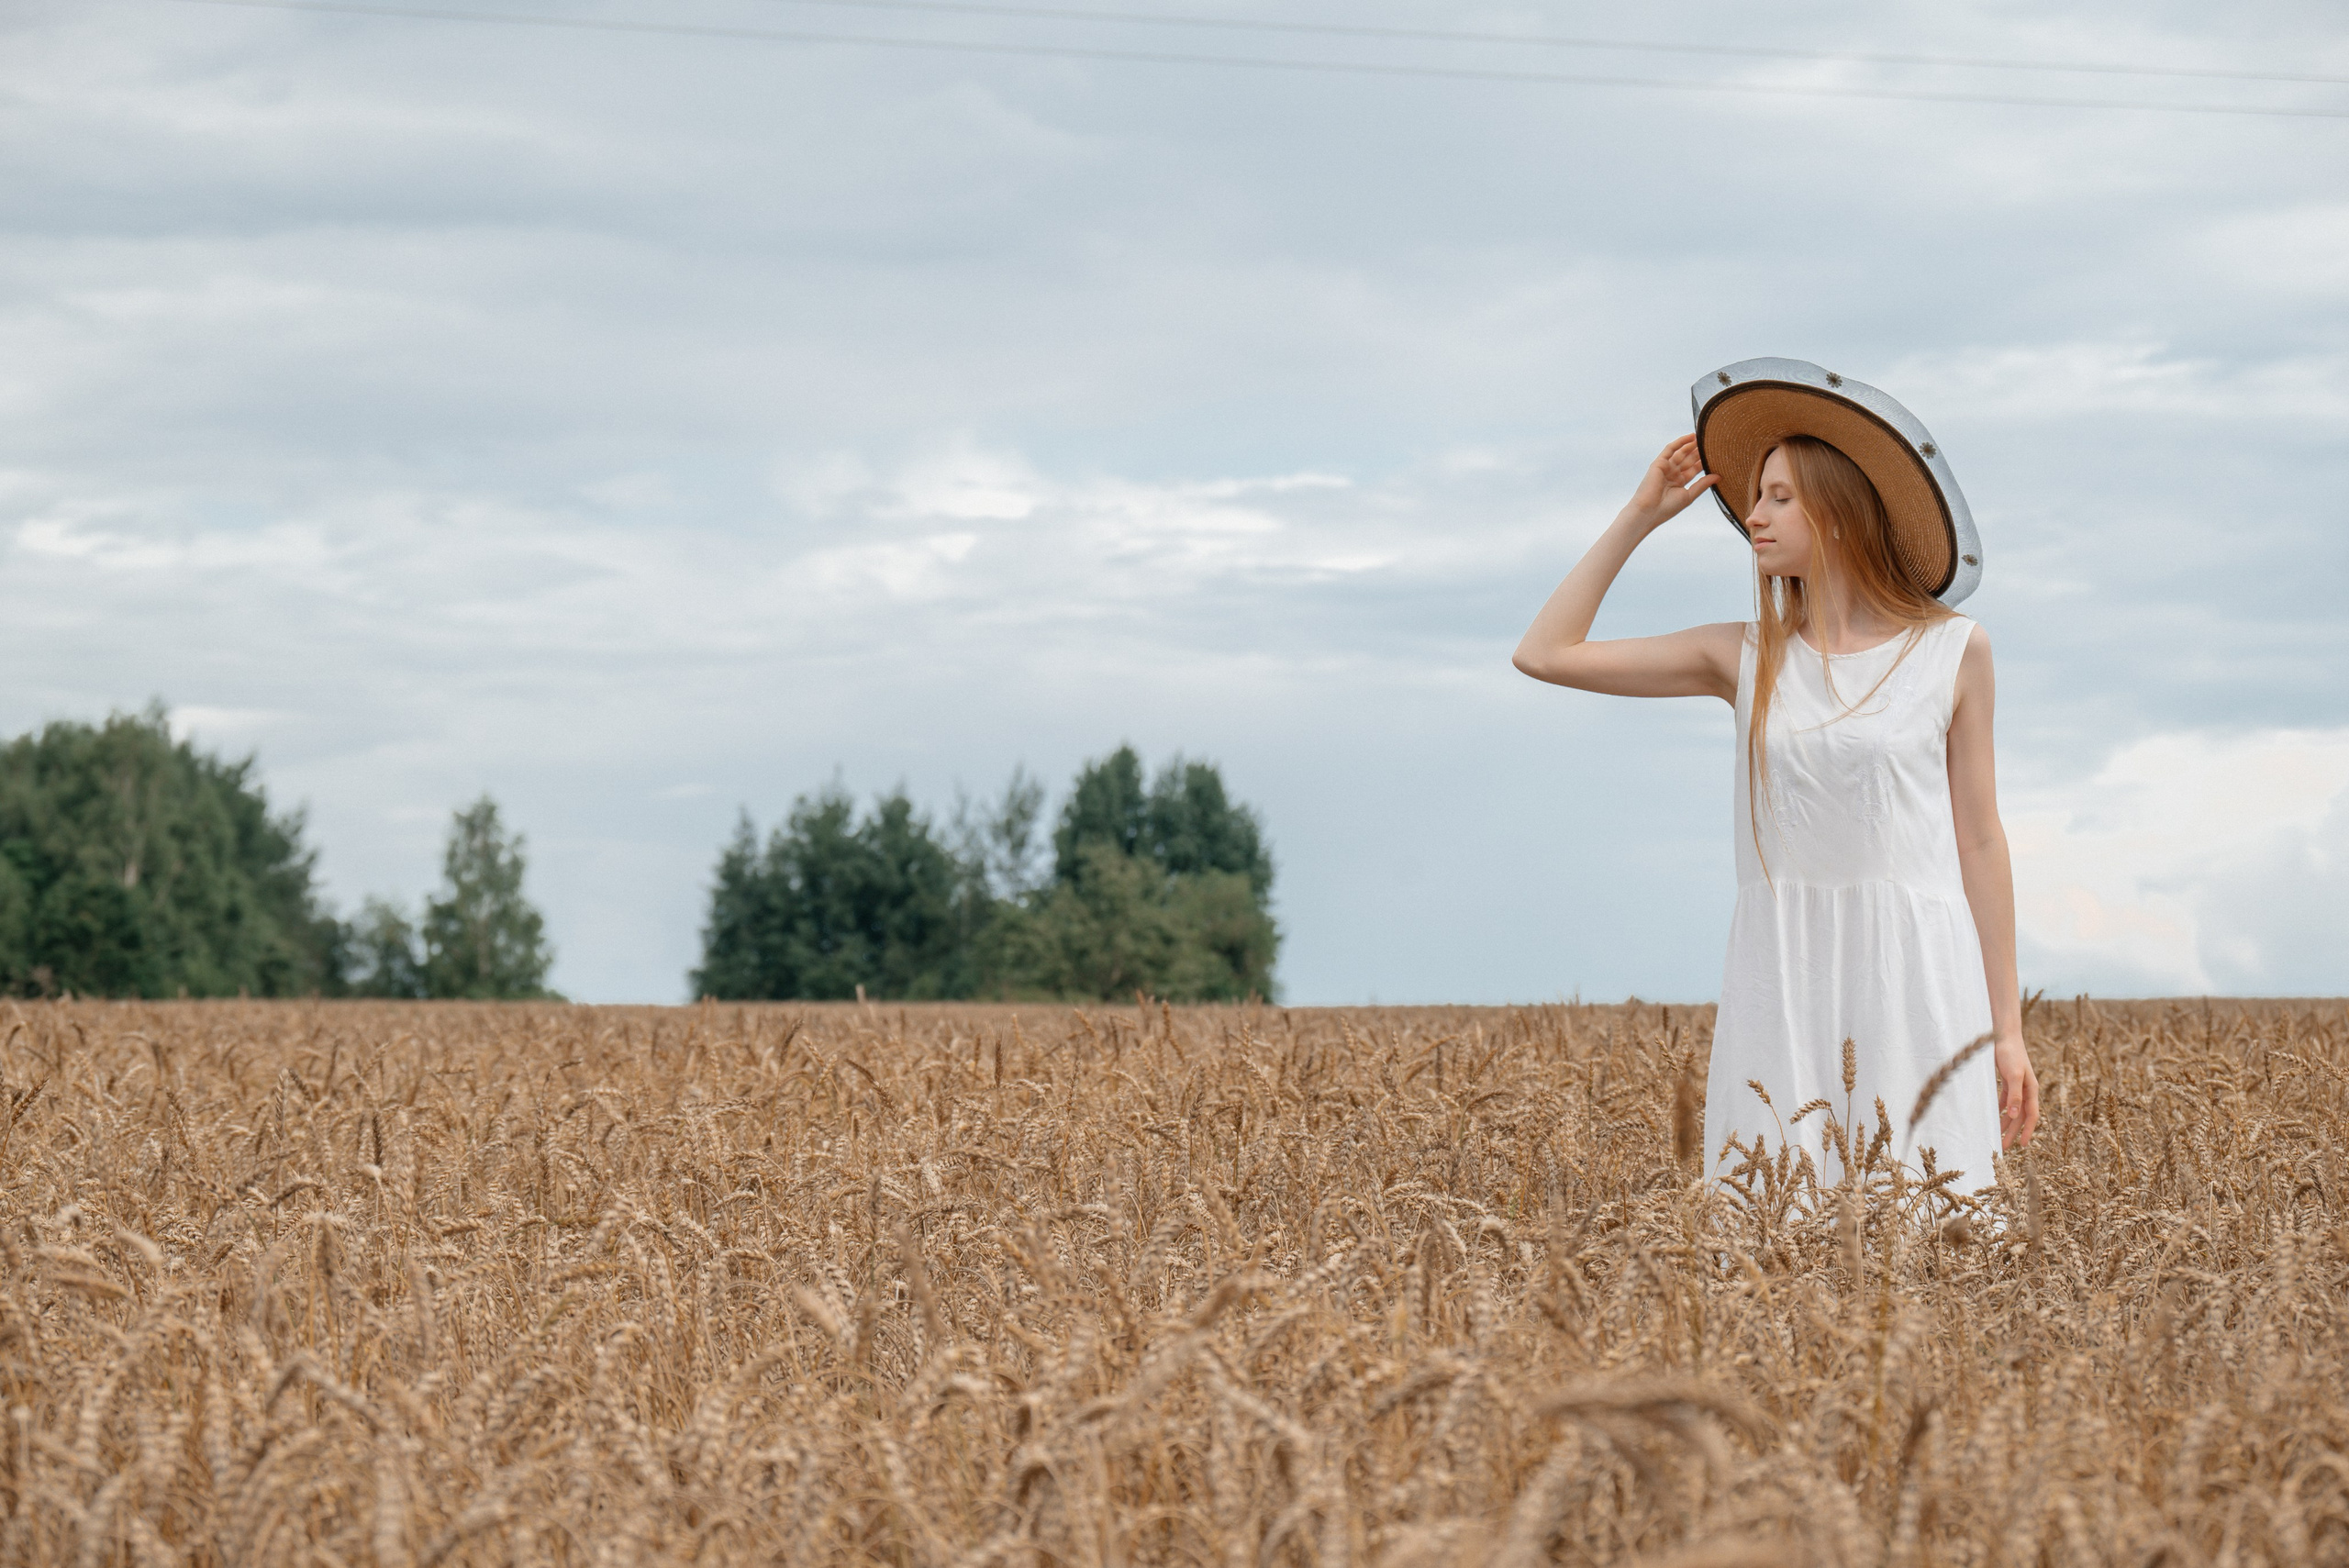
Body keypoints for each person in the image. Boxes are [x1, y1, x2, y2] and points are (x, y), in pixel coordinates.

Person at [1512, 358, 2038, 1197]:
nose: (1751, 516)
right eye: (1754, 497)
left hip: (1917, 983)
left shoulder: (1953, 651)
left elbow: (1981, 838)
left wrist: (2005, 1031)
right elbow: (1544, 653)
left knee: (1933, 1237)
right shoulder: (1744, 656)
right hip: (1780, 980)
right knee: (1769, 1248)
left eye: (1779, 496)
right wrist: (1640, 515)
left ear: (1837, 511)